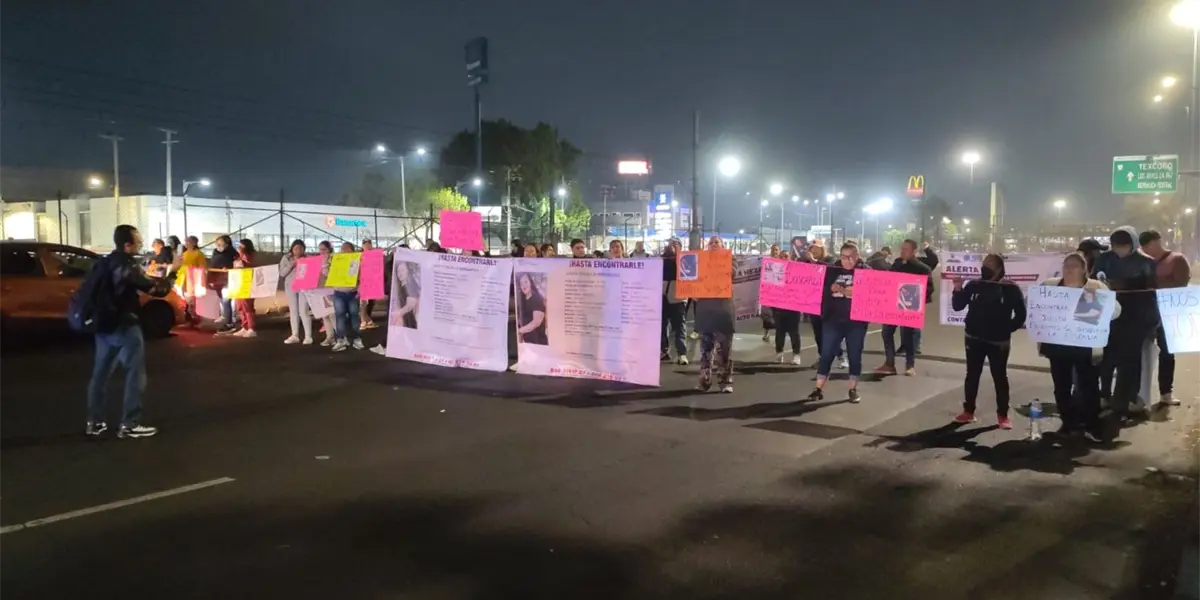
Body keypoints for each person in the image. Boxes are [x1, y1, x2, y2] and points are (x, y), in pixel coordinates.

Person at [86, 225, 169, 439]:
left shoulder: (103, 262)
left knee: (100, 374)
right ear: (127, 245)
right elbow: (154, 289)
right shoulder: (127, 265)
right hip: (124, 324)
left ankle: (95, 422)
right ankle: (130, 423)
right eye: (138, 241)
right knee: (135, 373)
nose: (141, 244)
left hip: (103, 326)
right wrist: (171, 275)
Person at [1039, 253, 1118, 442]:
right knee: (1061, 387)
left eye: (1074, 266)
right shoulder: (1049, 286)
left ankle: (1091, 425)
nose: (1069, 269)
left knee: (1089, 386)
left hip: (1085, 346)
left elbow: (1116, 310)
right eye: (1066, 265)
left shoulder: (1096, 287)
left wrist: (1096, 309)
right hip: (1057, 345)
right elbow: (1033, 303)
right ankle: (1069, 424)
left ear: (1084, 269)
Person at [950, 253, 1025, 429]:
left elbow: (1021, 315)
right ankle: (968, 411)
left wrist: (1007, 328)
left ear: (999, 268)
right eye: (984, 263)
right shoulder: (974, 285)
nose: (985, 267)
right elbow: (958, 306)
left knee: (999, 377)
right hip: (973, 338)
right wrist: (958, 289)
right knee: (972, 375)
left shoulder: (1011, 288)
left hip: (998, 343)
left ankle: (1003, 415)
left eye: (990, 264)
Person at [1093, 225, 1158, 420]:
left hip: (1135, 318)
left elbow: (1152, 294)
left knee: (1129, 363)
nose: (1119, 249)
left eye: (1124, 245)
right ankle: (1103, 395)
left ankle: (1125, 401)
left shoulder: (1147, 262)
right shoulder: (1104, 259)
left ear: (1133, 244)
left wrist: (1153, 322)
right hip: (1109, 318)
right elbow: (1093, 285)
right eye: (1116, 245)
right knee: (1105, 359)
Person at [805, 243, 869, 403]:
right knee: (826, 354)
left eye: (851, 257)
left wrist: (858, 291)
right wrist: (830, 289)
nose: (848, 260)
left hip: (856, 323)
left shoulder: (867, 271)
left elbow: (876, 293)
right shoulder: (831, 270)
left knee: (855, 355)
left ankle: (853, 389)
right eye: (844, 257)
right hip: (833, 321)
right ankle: (818, 389)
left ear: (857, 255)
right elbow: (818, 289)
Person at [1140, 230, 1190, 407]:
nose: (1148, 250)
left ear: (1158, 242)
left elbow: (1180, 285)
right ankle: (1140, 395)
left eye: (1150, 245)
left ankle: (1166, 393)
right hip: (1146, 312)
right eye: (1144, 247)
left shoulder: (1177, 259)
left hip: (1168, 313)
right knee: (1142, 352)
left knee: (1167, 352)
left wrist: (1154, 287)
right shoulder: (1143, 261)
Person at [875, 240, 932, 376]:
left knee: (909, 337)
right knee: (886, 333)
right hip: (892, 306)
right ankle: (889, 363)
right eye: (902, 249)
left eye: (906, 249)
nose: (902, 251)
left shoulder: (922, 268)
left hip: (909, 307)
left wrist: (916, 298)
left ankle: (910, 365)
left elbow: (929, 289)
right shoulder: (897, 263)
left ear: (914, 251)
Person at [695, 236, 736, 393]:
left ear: (722, 245)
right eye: (710, 243)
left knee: (724, 350)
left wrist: (720, 263)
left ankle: (725, 381)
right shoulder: (699, 261)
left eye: (716, 242)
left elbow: (732, 273)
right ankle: (704, 381)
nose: (713, 245)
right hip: (706, 311)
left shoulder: (730, 259)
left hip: (724, 311)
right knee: (706, 349)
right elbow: (691, 280)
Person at [805, 241, 847, 370]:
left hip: (829, 303)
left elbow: (830, 269)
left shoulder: (830, 260)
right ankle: (822, 357)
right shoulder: (806, 262)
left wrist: (814, 262)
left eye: (817, 248)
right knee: (818, 332)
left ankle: (840, 356)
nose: (814, 251)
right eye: (812, 248)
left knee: (831, 332)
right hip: (813, 302)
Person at [331, 241, 364, 351]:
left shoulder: (357, 262)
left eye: (347, 248)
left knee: (354, 316)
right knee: (340, 316)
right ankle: (341, 340)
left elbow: (362, 277)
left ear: (352, 250)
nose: (344, 250)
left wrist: (359, 291)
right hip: (338, 293)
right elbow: (328, 274)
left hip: (353, 293)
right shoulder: (336, 261)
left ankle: (357, 339)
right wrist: (326, 264)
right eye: (342, 248)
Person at [280, 239, 313, 344]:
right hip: (291, 287)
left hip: (304, 287)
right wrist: (292, 264)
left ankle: (308, 336)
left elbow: (313, 272)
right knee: (293, 311)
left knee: (304, 311)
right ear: (292, 249)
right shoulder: (286, 258)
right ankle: (295, 335)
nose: (298, 251)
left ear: (304, 249)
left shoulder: (308, 258)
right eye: (296, 248)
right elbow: (282, 273)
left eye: (300, 248)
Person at [660, 239, 688, 364]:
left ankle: (682, 353)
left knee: (679, 327)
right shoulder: (661, 260)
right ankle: (664, 350)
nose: (672, 246)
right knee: (662, 326)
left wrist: (679, 256)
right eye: (670, 244)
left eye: (676, 244)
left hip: (678, 297)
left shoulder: (686, 260)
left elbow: (687, 273)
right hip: (662, 297)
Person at [225, 239, 258, 338]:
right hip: (237, 283)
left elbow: (250, 267)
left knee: (247, 306)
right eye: (238, 245)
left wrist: (243, 262)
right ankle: (245, 326)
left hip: (246, 284)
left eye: (241, 245)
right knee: (240, 306)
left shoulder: (249, 256)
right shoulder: (238, 257)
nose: (239, 247)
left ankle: (251, 328)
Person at [209, 235, 238, 331]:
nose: (218, 245)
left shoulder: (233, 253)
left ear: (227, 243)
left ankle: (229, 322)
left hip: (228, 279)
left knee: (227, 300)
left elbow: (237, 264)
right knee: (221, 299)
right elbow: (213, 263)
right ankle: (225, 316)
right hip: (217, 278)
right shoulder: (215, 252)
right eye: (217, 243)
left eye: (220, 243)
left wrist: (228, 268)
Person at [179, 236, 207, 326]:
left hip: (194, 280)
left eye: (188, 242)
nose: (186, 244)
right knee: (186, 300)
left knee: (195, 301)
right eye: (186, 242)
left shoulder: (199, 254)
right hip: (184, 279)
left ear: (194, 243)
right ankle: (189, 320)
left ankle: (198, 320)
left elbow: (202, 268)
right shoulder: (184, 253)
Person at [515, 273, 548, 344]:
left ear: (530, 282)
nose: (524, 285)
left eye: (526, 282)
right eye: (521, 283)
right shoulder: (523, 300)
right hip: (528, 343)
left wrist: (519, 331)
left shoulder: (536, 298)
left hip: (539, 344)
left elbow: (536, 322)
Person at [317, 241, 337, 346]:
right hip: (321, 289)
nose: (322, 251)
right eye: (320, 249)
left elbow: (330, 274)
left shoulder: (334, 259)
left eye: (324, 249)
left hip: (332, 289)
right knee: (325, 314)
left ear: (329, 249)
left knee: (333, 314)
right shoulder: (318, 260)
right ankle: (329, 337)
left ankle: (340, 337)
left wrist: (326, 264)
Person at [390, 260, 420, 329]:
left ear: (407, 271)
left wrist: (398, 313)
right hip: (406, 320)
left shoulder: (410, 285)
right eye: (398, 271)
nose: (400, 274)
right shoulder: (402, 286)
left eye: (403, 270)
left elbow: (411, 304)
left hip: (409, 321)